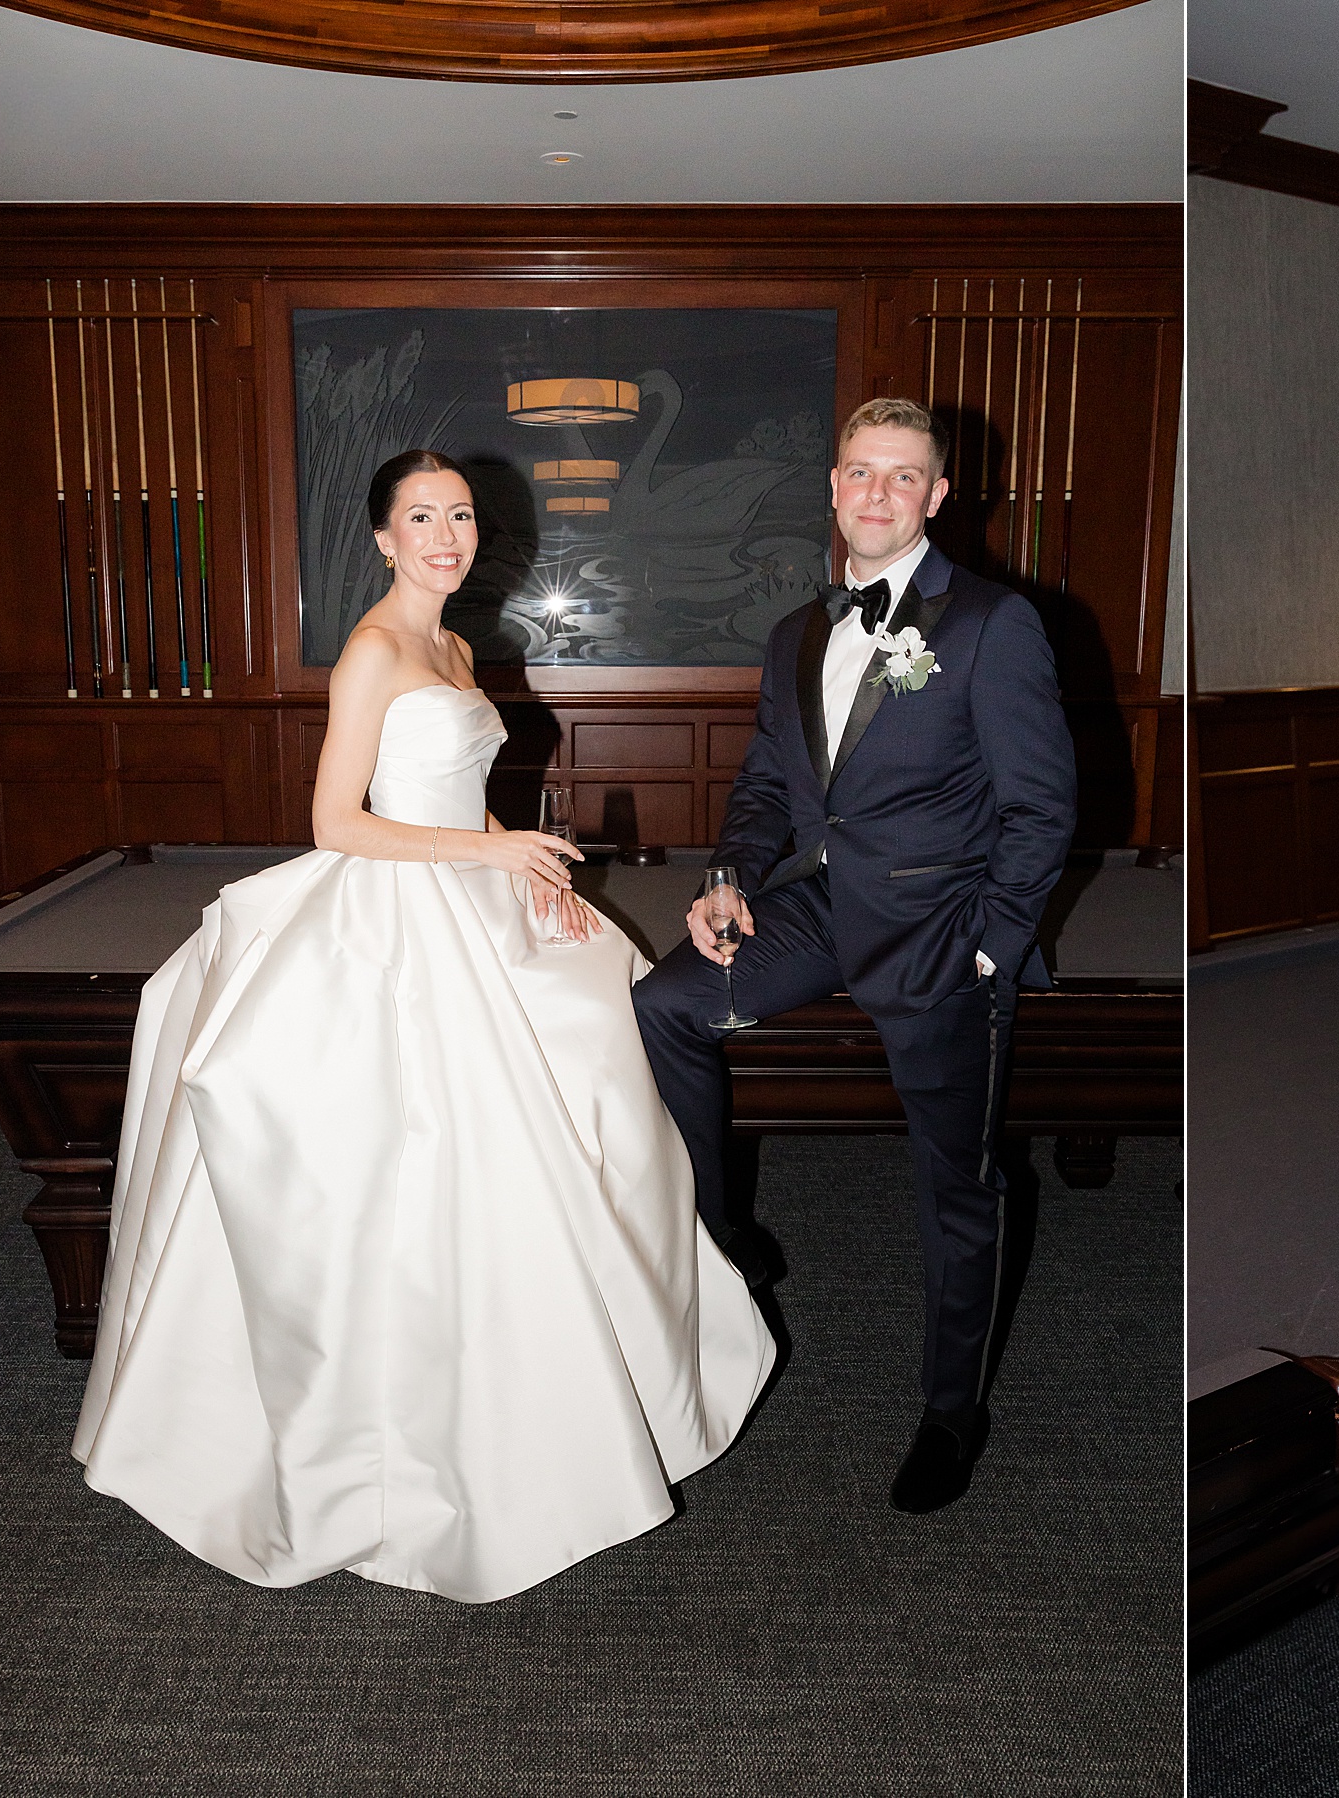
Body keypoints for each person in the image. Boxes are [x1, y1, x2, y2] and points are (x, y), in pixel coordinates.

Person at [72, 450, 775, 1604]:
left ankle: (545, 1409)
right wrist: (488, 850)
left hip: (465, 890)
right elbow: (337, 820)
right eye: (421, 517)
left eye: (460, 514)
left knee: (583, 1106)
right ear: (384, 537)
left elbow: (444, 790)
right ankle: (390, 1465)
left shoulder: (452, 646)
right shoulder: (372, 648)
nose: (446, 532)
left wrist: (522, 856)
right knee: (417, 1166)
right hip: (389, 921)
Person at [631, 397, 1076, 1516]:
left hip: (944, 934)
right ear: (832, 487)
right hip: (826, 902)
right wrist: (730, 874)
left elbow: (1042, 806)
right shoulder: (796, 633)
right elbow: (770, 786)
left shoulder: (989, 621)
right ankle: (730, 1235)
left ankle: (950, 1410)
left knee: (956, 1187)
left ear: (935, 496)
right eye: (859, 473)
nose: (876, 493)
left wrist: (993, 949)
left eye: (902, 476)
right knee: (665, 1004)